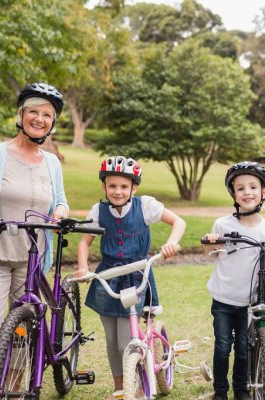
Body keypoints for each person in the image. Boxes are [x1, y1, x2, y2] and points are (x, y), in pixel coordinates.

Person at [0, 82, 69, 400]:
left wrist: (60, 213)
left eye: (47, 114)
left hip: (33, 259)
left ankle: (14, 389)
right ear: (20, 115)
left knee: (25, 331)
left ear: (52, 122)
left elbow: (60, 201)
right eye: (33, 111)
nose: (39, 118)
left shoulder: (52, 162)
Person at [75, 155, 185, 400]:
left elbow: (178, 221)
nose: (117, 191)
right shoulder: (98, 211)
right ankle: (120, 388)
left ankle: (135, 387)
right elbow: (84, 242)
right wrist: (83, 266)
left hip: (136, 276)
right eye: (112, 185)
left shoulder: (144, 206)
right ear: (104, 186)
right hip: (108, 276)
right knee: (112, 341)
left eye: (124, 186)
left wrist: (171, 243)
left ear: (134, 187)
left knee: (127, 340)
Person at [202, 161, 265, 400]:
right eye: (240, 188)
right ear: (233, 193)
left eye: (253, 187)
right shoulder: (223, 224)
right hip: (224, 299)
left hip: (251, 302)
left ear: (263, 192)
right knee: (223, 347)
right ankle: (220, 390)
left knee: (244, 350)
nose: (247, 192)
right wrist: (212, 241)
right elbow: (211, 253)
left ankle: (241, 389)